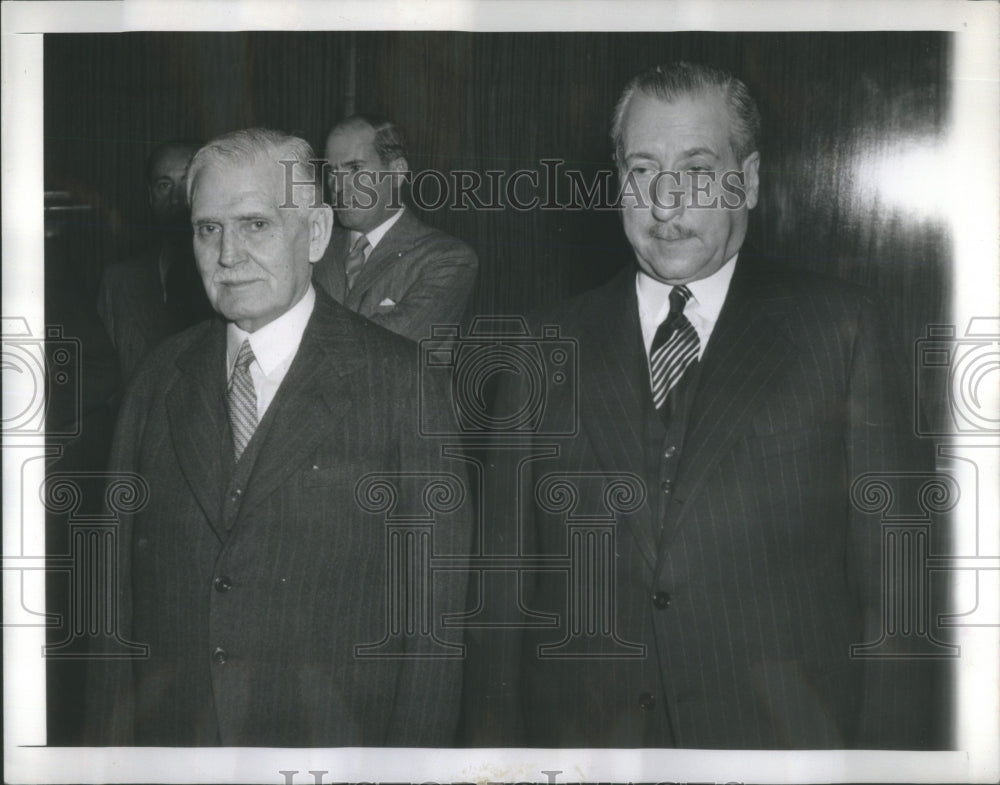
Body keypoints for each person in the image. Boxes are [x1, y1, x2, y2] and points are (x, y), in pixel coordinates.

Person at [463, 62, 941, 749]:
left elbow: (900, 604)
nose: (664, 202)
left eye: (695, 169)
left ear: (746, 180)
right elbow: (500, 608)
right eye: (641, 169)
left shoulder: (843, 332)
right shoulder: (539, 348)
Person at [86, 128, 470, 747]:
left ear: (316, 232)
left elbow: (433, 631)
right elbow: (109, 611)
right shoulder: (156, 379)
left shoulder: (403, 384)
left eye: (256, 224)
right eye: (208, 228)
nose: (228, 254)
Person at [312, 114, 478, 341]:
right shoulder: (313, 248)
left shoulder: (447, 258)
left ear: (397, 172)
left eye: (355, 169)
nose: (339, 186)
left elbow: (388, 344)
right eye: (332, 171)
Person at [97, 140, 213, 381]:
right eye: (164, 185)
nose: (176, 199)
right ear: (151, 196)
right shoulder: (118, 282)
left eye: (188, 183)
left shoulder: (236, 274)